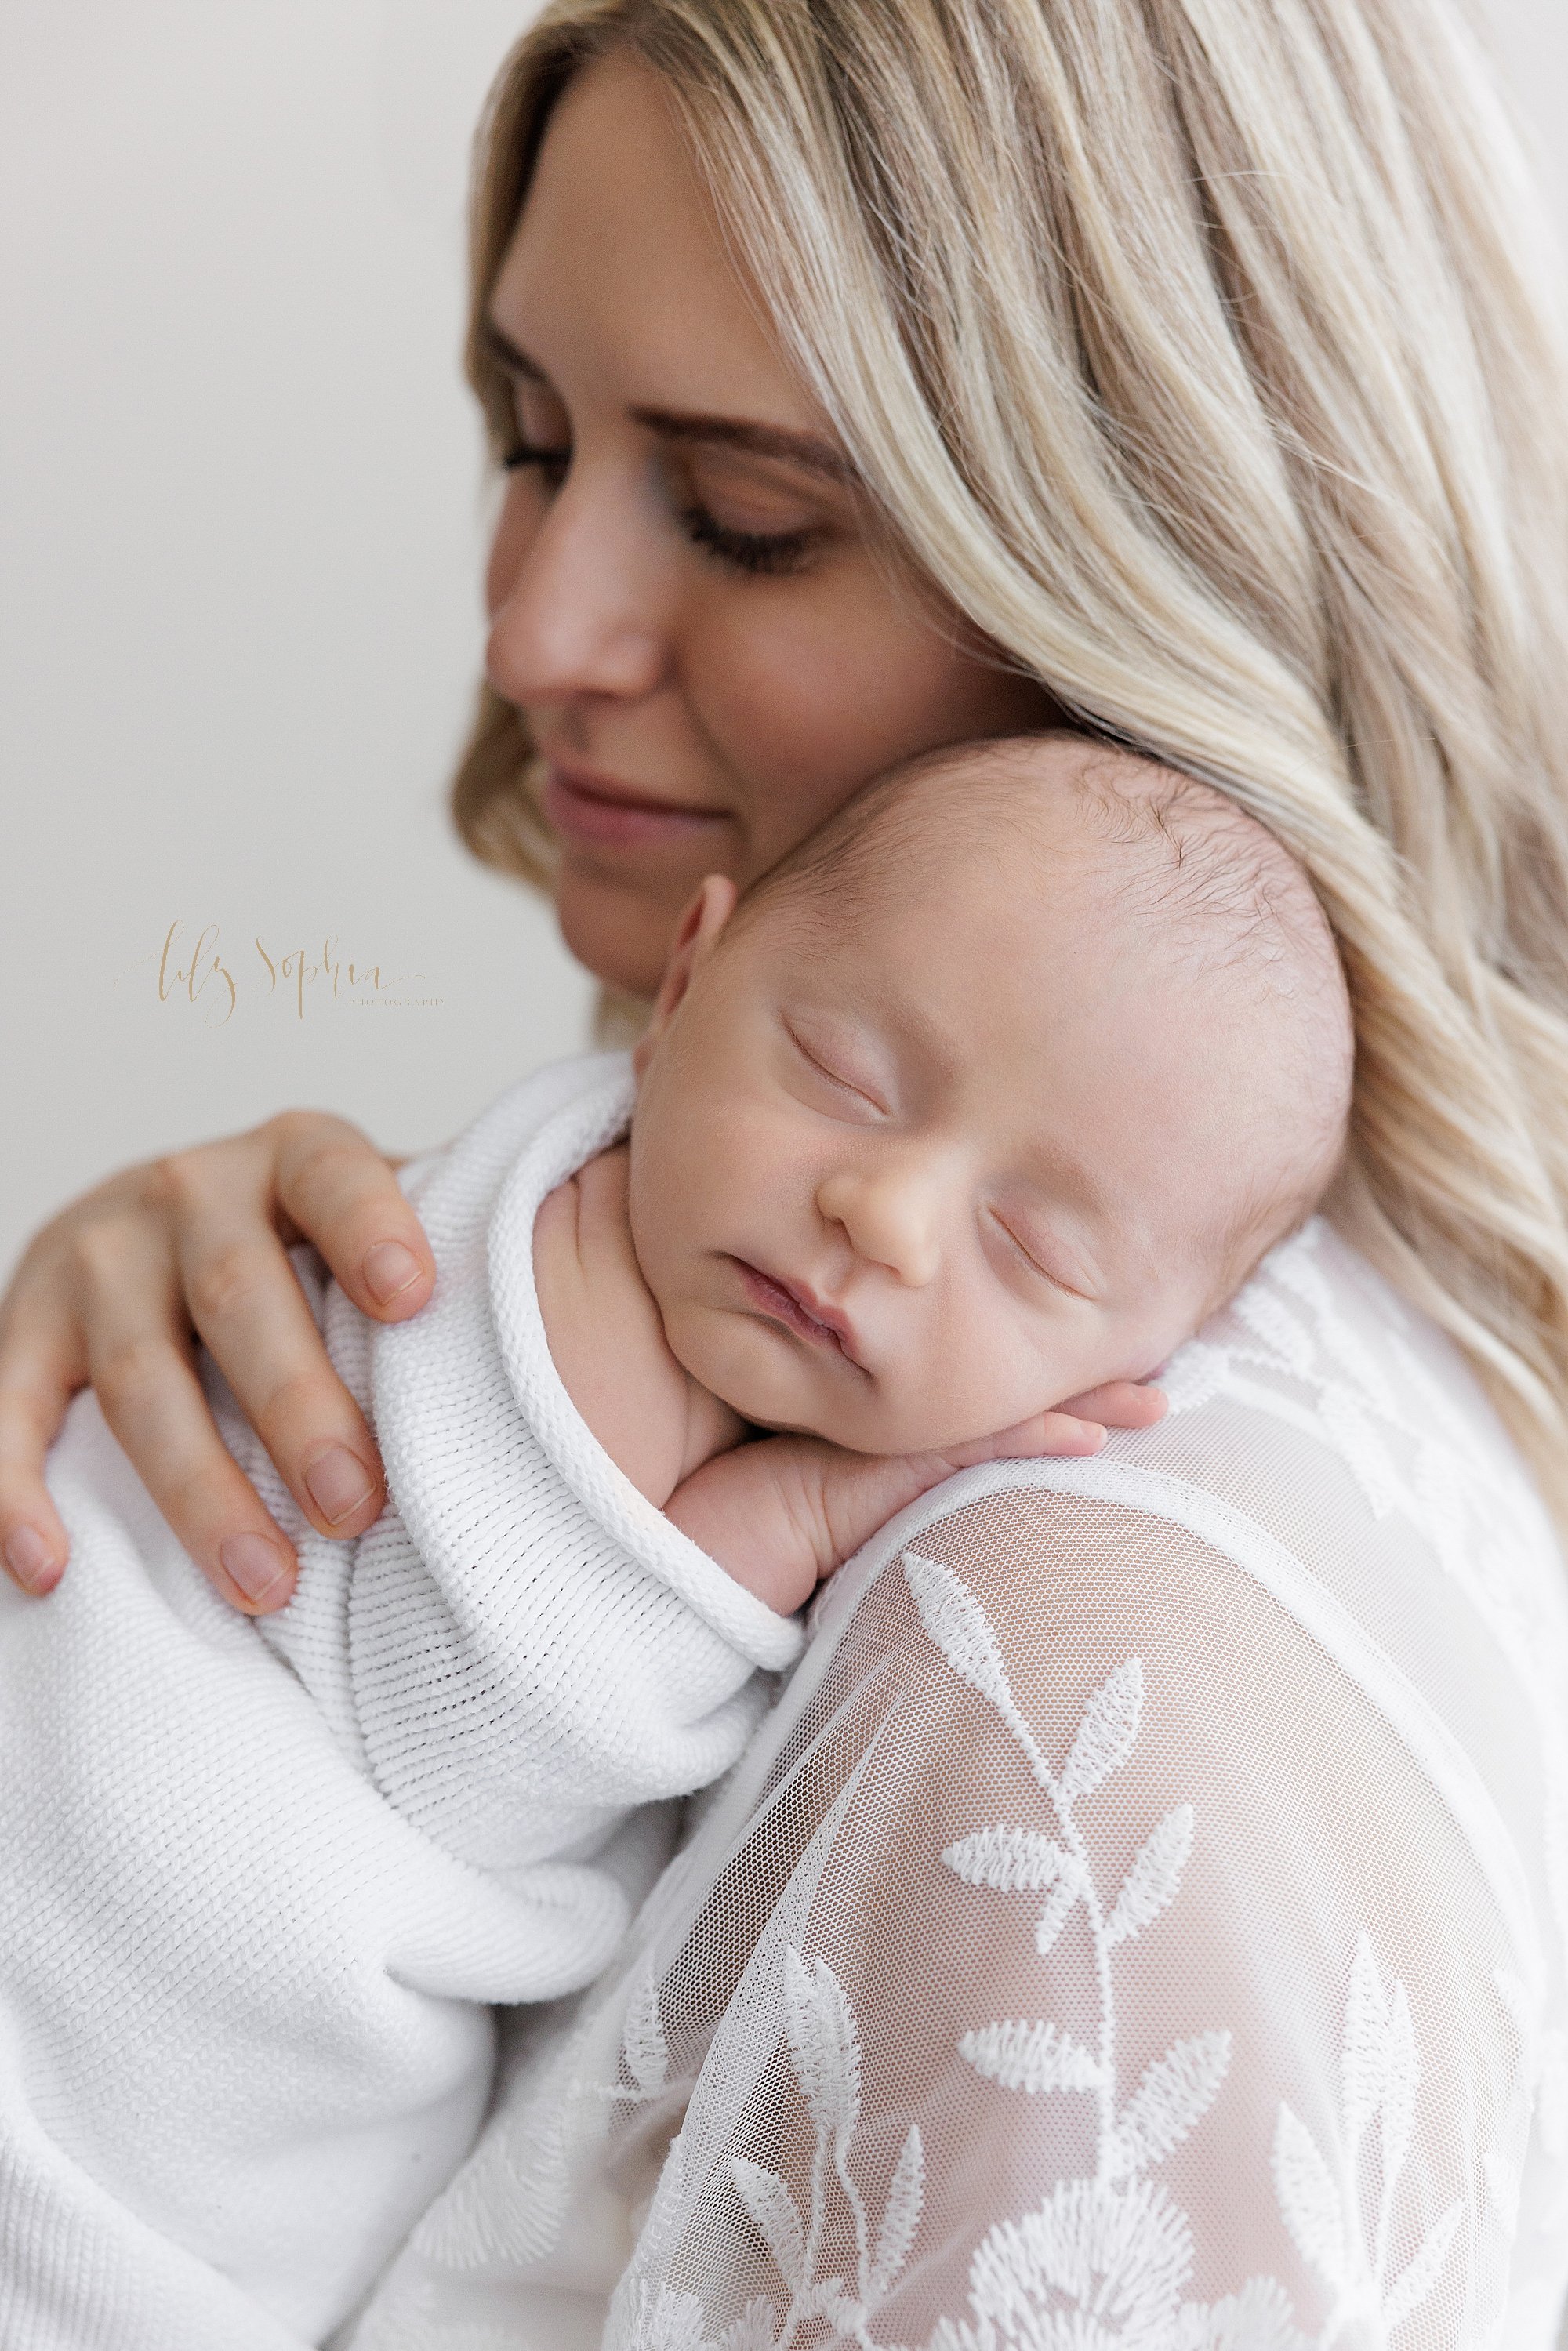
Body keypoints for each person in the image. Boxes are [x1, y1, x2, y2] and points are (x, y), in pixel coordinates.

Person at [2, 2, 1566, 2344]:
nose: (533, 629)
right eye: (528, 443)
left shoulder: (1046, 1687)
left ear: (1165, 574)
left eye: (746, 520)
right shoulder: (697, 1299)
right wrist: (305, 1489)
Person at [4, 731, 1346, 2342]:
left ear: (1145, 1361)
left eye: (1030, 1248)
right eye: (845, 1077)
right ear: (685, 983)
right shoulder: (542, 1289)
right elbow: (464, 1726)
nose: (889, 1216)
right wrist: (798, 1512)